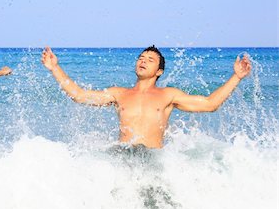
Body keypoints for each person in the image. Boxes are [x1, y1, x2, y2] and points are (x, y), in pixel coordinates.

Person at [41, 45, 252, 149]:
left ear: (159, 71)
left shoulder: (168, 95)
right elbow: (80, 96)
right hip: (123, 157)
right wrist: (54, 68)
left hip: (153, 160)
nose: (143, 61)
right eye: (141, 58)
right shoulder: (119, 93)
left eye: (150, 60)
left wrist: (237, 76)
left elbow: (210, 104)